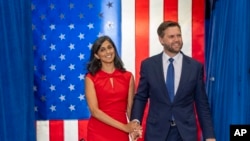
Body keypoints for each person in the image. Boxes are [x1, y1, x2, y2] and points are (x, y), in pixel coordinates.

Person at [130, 21, 216, 141]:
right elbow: (141, 97)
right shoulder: (148, 65)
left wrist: (209, 135)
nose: (176, 39)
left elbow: (202, 103)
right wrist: (135, 122)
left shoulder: (195, 67)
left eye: (178, 35)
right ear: (161, 40)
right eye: (171, 36)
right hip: (156, 133)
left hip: (185, 134)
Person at [85, 35, 141, 141]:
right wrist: (124, 127)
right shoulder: (90, 78)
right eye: (102, 50)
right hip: (98, 131)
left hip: (121, 132)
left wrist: (134, 129)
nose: (108, 52)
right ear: (97, 55)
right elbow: (94, 111)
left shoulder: (128, 76)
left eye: (110, 47)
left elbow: (130, 108)